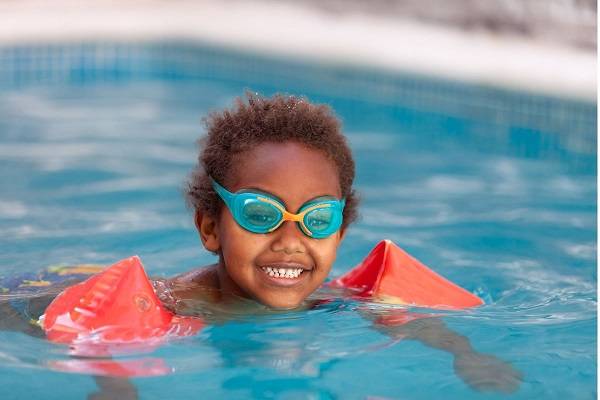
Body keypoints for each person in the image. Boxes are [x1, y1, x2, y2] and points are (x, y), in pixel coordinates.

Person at [1, 93, 521, 397]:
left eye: (317, 219)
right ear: (210, 228)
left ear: (340, 233)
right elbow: (100, 348)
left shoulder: (336, 299)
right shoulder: (173, 308)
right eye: (260, 214)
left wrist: (465, 354)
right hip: (34, 295)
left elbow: (417, 321)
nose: (290, 241)